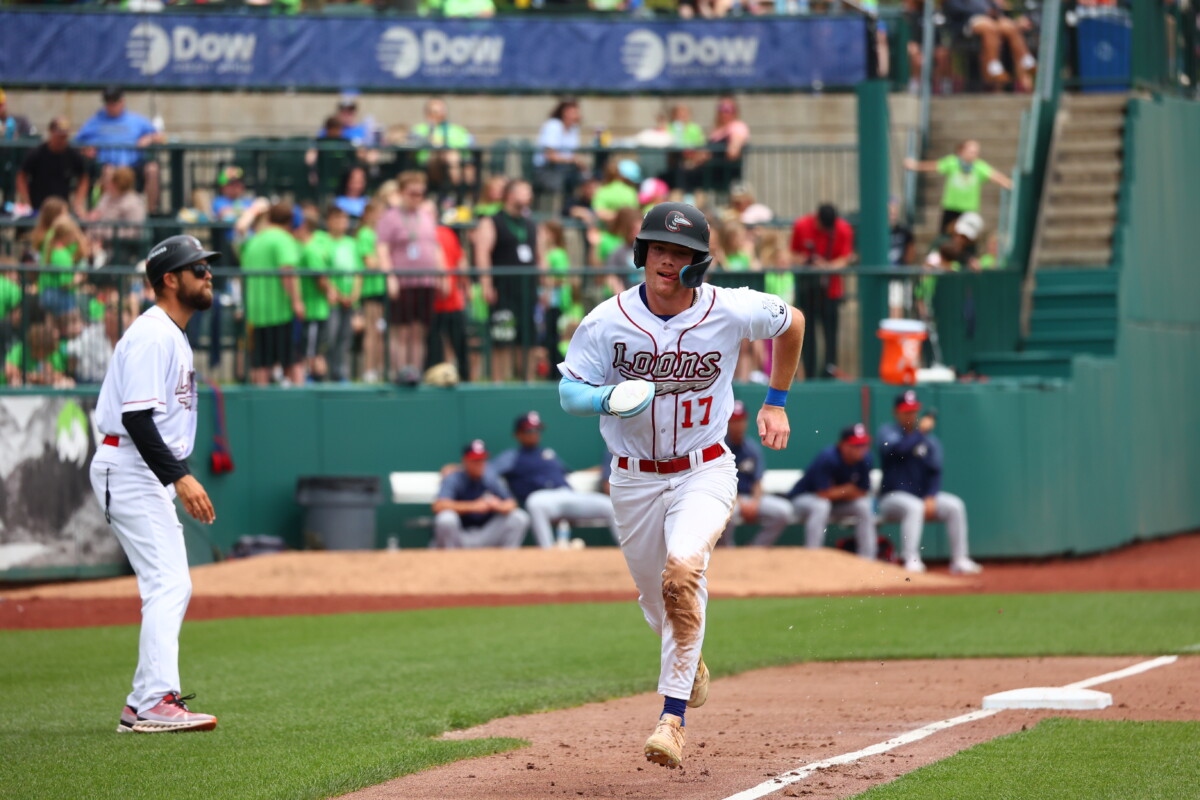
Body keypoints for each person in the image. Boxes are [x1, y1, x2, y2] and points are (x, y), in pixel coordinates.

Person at [557, 201, 804, 769]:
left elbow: (794, 323)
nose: (670, 263)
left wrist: (777, 400)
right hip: (634, 480)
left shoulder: (730, 309)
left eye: (684, 253)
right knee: (657, 600)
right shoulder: (606, 320)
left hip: (705, 468)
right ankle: (691, 665)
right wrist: (602, 399)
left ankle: (672, 720)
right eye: (661, 250)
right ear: (642, 253)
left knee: (682, 572)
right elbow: (569, 392)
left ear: (700, 262)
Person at [90, 235, 220, 734]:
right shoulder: (152, 334)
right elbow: (138, 419)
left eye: (207, 267)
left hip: (140, 467)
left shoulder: (171, 333)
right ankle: (153, 703)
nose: (209, 275)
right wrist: (180, 477)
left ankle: (140, 704)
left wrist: (172, 476)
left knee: (167, 583)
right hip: (129, 463)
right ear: (170, 279)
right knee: (170, 582)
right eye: (199, 268)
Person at [877, 390, 983, 575]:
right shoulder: (888, 432)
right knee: (915, 506)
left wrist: (932, 495)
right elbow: (898, 450)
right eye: (906, 411)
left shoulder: (929, 440)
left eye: (913, 410)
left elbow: (935, 471)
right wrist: (920, 432)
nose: (911, 414)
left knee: (955, 506)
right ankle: (911, 559)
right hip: (891, 498)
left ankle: (960, 560)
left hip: (920, 496)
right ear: (896, 413)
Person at [491, 411, 616, 549]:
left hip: (568, 494)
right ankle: (548, 551)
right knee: (534, 503)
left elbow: (572, 473)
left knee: (611, 506)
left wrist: (605, 469)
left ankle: (626, 550)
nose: (534, 433)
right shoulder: (511, 456)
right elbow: (488, 472)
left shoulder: (548, 453)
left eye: (537, 429)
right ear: (517, 434)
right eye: (529, 430)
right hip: (541, 497)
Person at [473, 178, 542, 382]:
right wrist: (486, 283)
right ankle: (499, 381)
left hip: (528, 288)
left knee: (527, 339)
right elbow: (482, 253)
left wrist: (545, 285)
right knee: (501, 338)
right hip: (503, 288)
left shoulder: (530, 224)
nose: (529, 196)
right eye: (524, 191)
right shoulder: (492, 221)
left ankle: (527, 381)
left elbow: (540, 255)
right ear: (510, 195)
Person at [377, 171, 443, 378]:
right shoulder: (390, 218)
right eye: (412, 193)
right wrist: (390, 277)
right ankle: (401, 372)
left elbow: (435, 247)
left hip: (425, 281)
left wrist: (442, 275)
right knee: (401, 331)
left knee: (419, 331)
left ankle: (416, 372)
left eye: (420, 194)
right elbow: (382, 250)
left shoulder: (426, 216)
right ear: (401, 193)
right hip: (403, 281)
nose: (417, 198)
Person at [237, 202, 305, 386]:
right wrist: (297, 301)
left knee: (261, 364)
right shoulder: (284, 239)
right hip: (280, 311)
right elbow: (287, 272)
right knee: (292, 361)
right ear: (290, 222)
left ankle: (260, 410)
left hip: (256, 312)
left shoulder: (254, 241)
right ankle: (301, 404)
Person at [787, 424, 877, 556]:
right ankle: (812, 554)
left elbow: (862, 492)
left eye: (863, 445)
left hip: (835, 504)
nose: (860, 449)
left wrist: (839, 492)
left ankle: (868, 557)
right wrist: (848, 490)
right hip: (804, 500)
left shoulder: (865, 459)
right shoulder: (828, 457)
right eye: (855, 445)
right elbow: (823, 494)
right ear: (843, 445)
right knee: (821, 506)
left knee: (863, 505)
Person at [75, 87, 165, 214]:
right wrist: (86, 150)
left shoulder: (137, 120)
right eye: (108, 102)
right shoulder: (95, 121)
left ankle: (152, 214)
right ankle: (107, 215)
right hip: (109, 167)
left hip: (134, 167)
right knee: (108, 171)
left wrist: (149, 138)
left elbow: (161, 137)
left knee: (153, 169)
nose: (111, 105)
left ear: (122, 102)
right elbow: (77, 142)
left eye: (114, 101)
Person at [719, 401, 794, 547]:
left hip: (750, 498)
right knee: (728, 514)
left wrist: (755, 502)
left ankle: (756, 548)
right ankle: (726, 552)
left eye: (741, 420)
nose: (738, 425)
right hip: (728, 499)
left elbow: (758, 482)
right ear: (727, 422)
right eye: (734, 421)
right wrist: (739, 502)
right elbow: (720, 484)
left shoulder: (752, 448)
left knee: (784, 511)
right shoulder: (720, 447)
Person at [432, 439, 530, 548]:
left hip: (486, 534)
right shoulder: (454, 478)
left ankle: (505, 561)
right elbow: (439, 505)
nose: (479, 463)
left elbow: (511, 503)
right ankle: (448, 561)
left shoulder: (490, 478)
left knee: (519, 517)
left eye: (482, 459)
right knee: (446, 518)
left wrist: (497, 505)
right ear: (465, 461)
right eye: (475, 460)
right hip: (460, 536)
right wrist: (473, 506)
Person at [903, 140, 1012, 234]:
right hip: (951, 208)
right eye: (971, 152)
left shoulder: (979, 166)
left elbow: (994, 176)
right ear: (961, 151)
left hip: (969, 209)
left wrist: (1008, 183)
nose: (973, 155)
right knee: (945, 236)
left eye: (975, 152)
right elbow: (934, 166)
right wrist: (916, 166)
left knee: (967, 239)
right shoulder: (952, 162)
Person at [943, 0, 1037, 91]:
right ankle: (993, 66)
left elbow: (995, 8)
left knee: (1008, 25)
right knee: (988, 26)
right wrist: (983, 11)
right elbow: (955, 10)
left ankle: (1027, 60)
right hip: (967, 24)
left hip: (990, 19)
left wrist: (997, 6)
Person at [15, 117, 89, 218]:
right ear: (51, 132)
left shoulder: (72, 155)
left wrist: (78, 202)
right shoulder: (37, 153)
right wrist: (25, 200)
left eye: (65, 136)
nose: (62, 140)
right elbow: (21, 176)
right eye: (59, 136)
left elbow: (83, 178)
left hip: (62, 208)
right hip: (38, 207)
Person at [410, 97, 476, 201]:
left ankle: (460, 194)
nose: (438, 115)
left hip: (456, 164)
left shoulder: (457, 130)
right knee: (448, 156)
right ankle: (457, 192)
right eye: (434, 112)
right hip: (428, 164)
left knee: (457, 159)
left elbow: (467, 150)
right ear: (427, 113)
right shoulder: (420, 129)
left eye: (441, 111)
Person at [679, 95, 750, 193]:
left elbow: (734, 149)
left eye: (728, 109)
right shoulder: (716, 131)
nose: (724, 112)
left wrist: (733, 146)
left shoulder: (737, 126)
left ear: (735, 111)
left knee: (684, 176)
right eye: (721, 108)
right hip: (709, 172)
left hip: (724, 174)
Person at [324, 206, 362, 383]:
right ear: (329, 221)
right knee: (329, 338)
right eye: (337, 218)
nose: (342, 223)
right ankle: (326, 373)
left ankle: (341, 374)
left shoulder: (352, 243)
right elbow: (321, 273)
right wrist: (337, 294)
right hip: (330, 301)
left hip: (350, 301)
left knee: (345, 340)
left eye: (344, 219)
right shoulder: (323, 241)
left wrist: (353, 295)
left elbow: (358, 272)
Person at [534, 98, 585, 206]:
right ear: (564, 112)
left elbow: (573, 154)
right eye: (573, 112)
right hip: (546, 170)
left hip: (565, 169)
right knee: (562, 182)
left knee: (585, 178)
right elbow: (550, 156)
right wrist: (572, 160)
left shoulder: (573, 129)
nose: (576, 115)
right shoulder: (553, 125)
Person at [592, 159, 642, 225]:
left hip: (606, 232)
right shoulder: (630, 191)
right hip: (625, 232)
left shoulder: (602, 191)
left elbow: (599, 212)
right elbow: (634, 213)